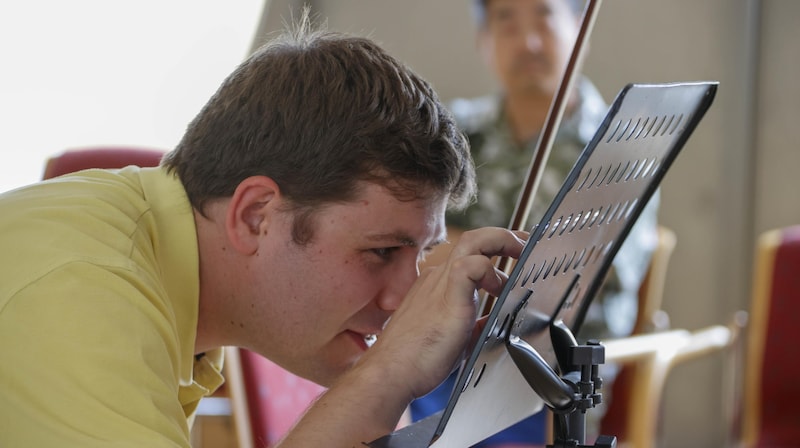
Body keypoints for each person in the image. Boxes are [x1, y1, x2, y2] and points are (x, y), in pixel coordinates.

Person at [0, 13, 529, 447]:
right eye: (383, 251)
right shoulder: (84, 298)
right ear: (256, 215)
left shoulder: (159, 266)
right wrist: (386, 373)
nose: (402, 300)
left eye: (421, 254)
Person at [409, 0, 660, 446]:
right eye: (505, 20)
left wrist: (463, 253)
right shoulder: (451, 132)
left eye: (543, 16)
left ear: (580, 25)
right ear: (483, 41)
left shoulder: (621, 147)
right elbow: (413, 254)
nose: (526, 42)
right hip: (440, 366)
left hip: (550, 387)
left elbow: (584, 278)